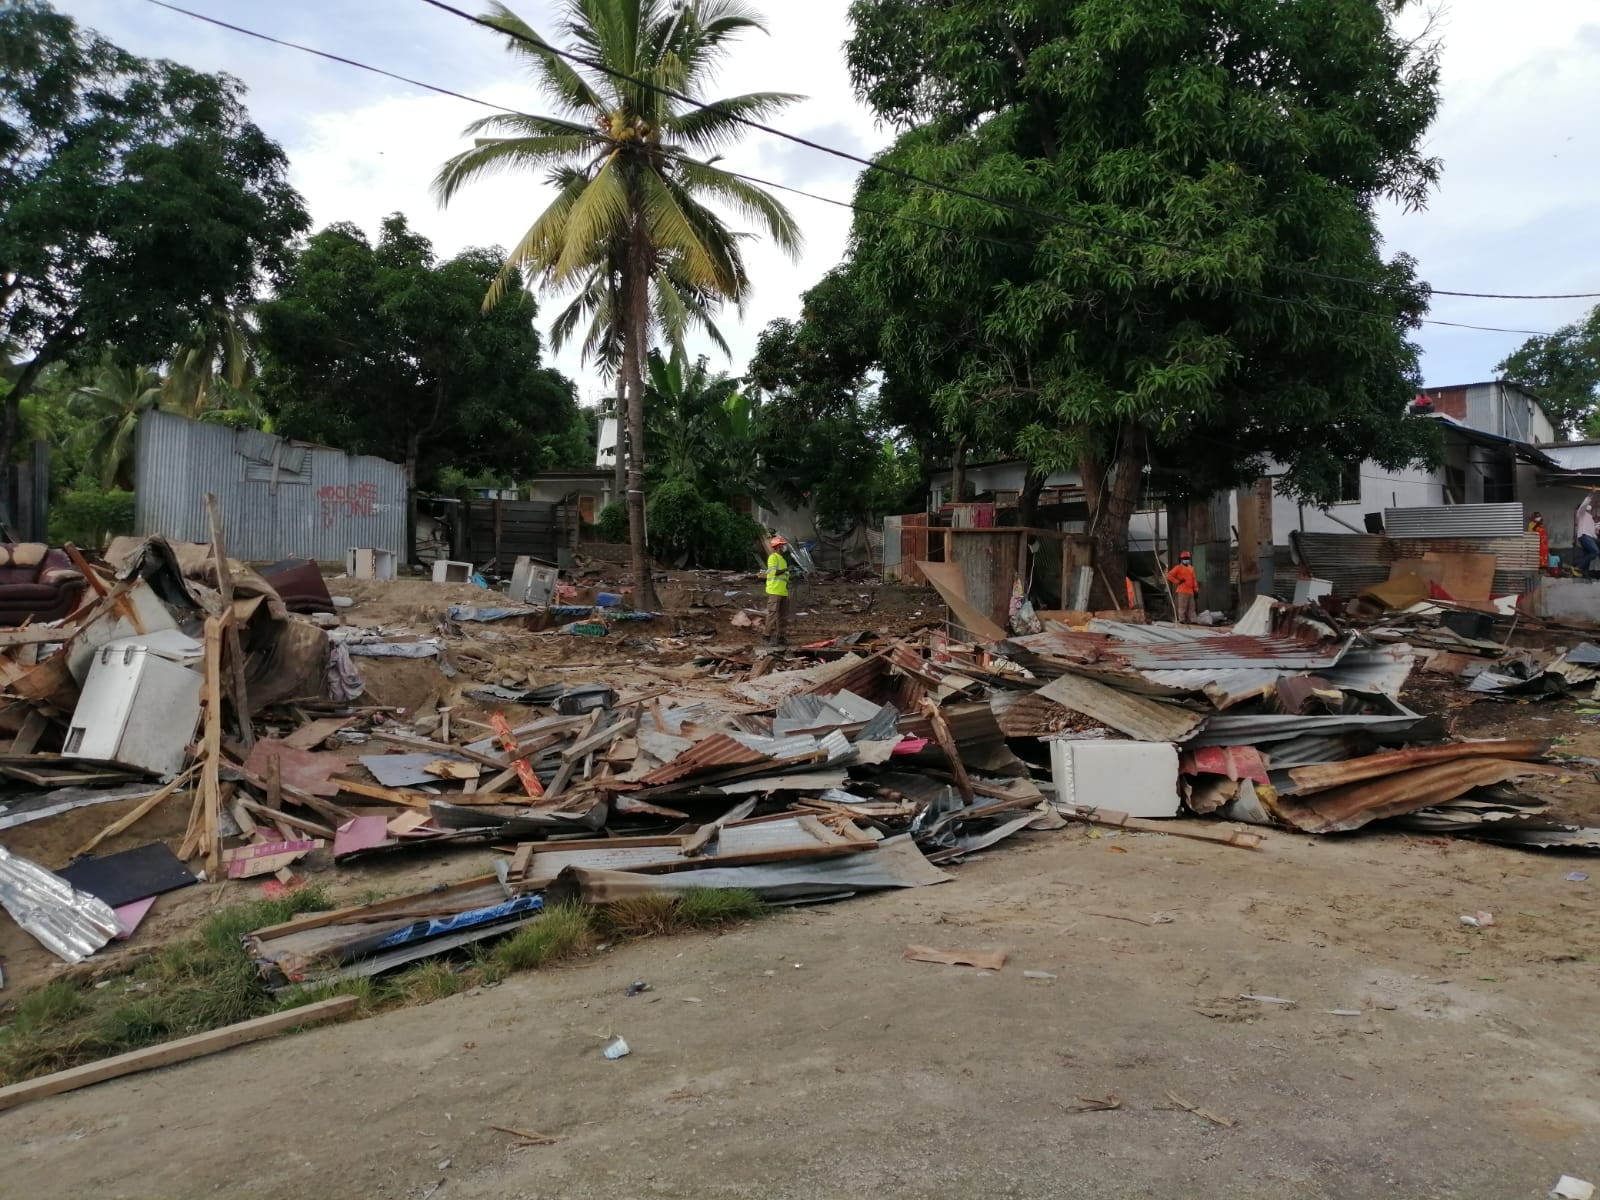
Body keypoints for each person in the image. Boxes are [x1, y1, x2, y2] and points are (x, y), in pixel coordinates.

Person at [764, 534, 791, 644]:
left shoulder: (783, 560)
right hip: (775, 591)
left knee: (783, 616)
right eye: (781, 546)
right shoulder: (773, 557)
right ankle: (766, 636)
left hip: (783, 591)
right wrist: (785, 570)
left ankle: (781, 637)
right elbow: (773, 572)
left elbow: (784, 577)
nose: (783, 548)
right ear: (776, 547)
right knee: (772, 615)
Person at [1166, 551, 1199, 623]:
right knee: (1182, 607)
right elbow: (1169, 576)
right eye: (1184, 558)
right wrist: (1177, 581)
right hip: (1182, 591)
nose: (1186, 559)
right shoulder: (1178, 567)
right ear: (1181, 559)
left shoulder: (1191, 568)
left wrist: (1196, 590)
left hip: (1190, 591)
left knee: (1191, 608)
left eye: (1187, 558)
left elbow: (1194, 580)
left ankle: (1193, 621)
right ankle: (1182, 620)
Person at [1576, 498, 1599, 576]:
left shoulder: (1589, 517)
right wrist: (1590, 495)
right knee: (1595, 552)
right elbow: (1583, 505)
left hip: (1591, 538)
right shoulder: (1581, 513)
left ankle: (1584, 572)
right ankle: (1579, 567)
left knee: (1588, 554)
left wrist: (1597, 528)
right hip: (1585, 535)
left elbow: (1595, 525)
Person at [1529, 511, 1550, 576]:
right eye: (1537, 516)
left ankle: (1544, 570)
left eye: (1539, 516)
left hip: (1544, 544)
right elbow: (1531, 531)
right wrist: (1538, 523)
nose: (1538, 517)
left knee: (1544, 556)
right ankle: (1539, 570)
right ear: (1534, 517)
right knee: (1538, 557)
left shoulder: (1542, 524)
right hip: (1537, 544)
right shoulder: (1531, 524)